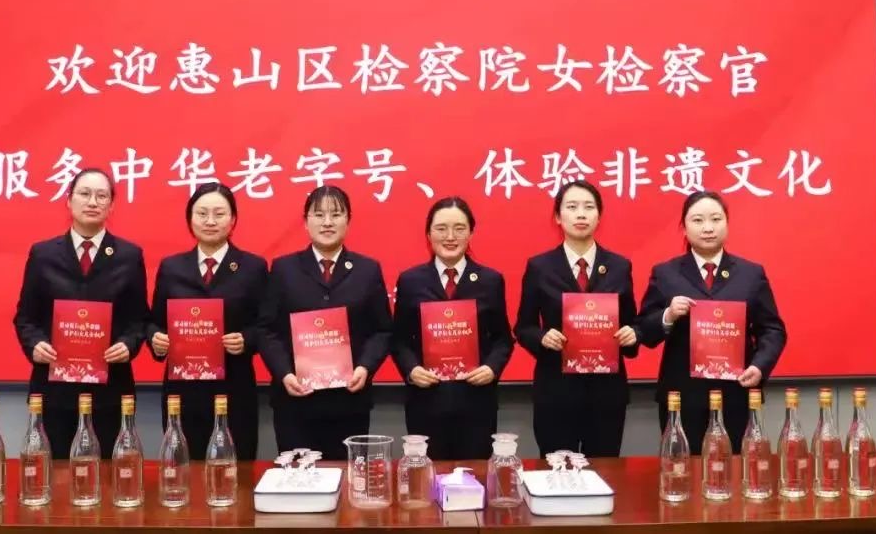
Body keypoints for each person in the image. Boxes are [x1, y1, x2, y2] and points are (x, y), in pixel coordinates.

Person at [13, 168, 148, 458]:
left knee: (109, 474)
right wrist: (35, 344)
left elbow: (139, 319)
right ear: (69, 200)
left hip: (110, 391)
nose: (92, 202)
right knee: (55, 473)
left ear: (111, 205)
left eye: (101, 196)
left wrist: (128, 344)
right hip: (54, 391)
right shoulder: (43, 254)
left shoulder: (129, 256)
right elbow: (25, 317)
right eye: (84, 194)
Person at [637, 190, 787, 453]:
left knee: (736, 468)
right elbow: (645, 331)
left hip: (736, 393)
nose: (708, 228)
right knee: (683, 469)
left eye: (716, 219)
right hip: (682, 397)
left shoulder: (751, 274)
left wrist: (759, 366)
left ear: (727, 223)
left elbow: (772, 329)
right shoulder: (666, 273)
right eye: (698, 220)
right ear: (684, 227)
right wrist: (668, 315)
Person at [257, 185, 393, 459]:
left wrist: (365, 367)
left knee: (348, 478)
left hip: (349, 402)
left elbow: (382, 330)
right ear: (306, 222)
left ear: (348, 220)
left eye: (336, 214)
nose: (327, 222)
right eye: (319, 215)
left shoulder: (367, 270)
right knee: (298, 478)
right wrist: (284, 373)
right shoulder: (284, 268)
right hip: (295, 402)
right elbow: (266, 329)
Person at [514, 180, 639, 457]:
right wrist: (542, 338)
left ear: (599, 216)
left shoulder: (619, 266)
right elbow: (523, 327)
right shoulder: (540, 267)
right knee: (557, 471)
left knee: (604, 469)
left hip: (606, 394)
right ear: (558, 217)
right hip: (556, 392)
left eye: (588, 207)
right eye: (572, 207)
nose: (581, 214)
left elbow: (633, 322)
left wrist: (632, 334)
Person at [146, 182, 267, 461]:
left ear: (233, 219)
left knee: (235, 471)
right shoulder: (172, 267)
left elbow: (267, 326)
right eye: (202, 213)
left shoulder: (253, 267)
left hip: (234, 390)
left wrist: (246, 340)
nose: (210, 221)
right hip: (182, 393)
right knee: (182, 470)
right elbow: (154, 322)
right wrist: (156, 339)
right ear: (190, 219)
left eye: (219, 213)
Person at [391, 197, 514, 460]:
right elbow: (399, 339)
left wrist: (492, 368)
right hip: (426, 402)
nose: (450, 236)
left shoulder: (490, 280)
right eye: (441, 228)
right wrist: (411, 370)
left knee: (474, 476)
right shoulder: (411, 280)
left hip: (476, 402)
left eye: (459, 228)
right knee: (427, 476)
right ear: (428, 234)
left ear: (471, 233)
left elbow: (503, 339)